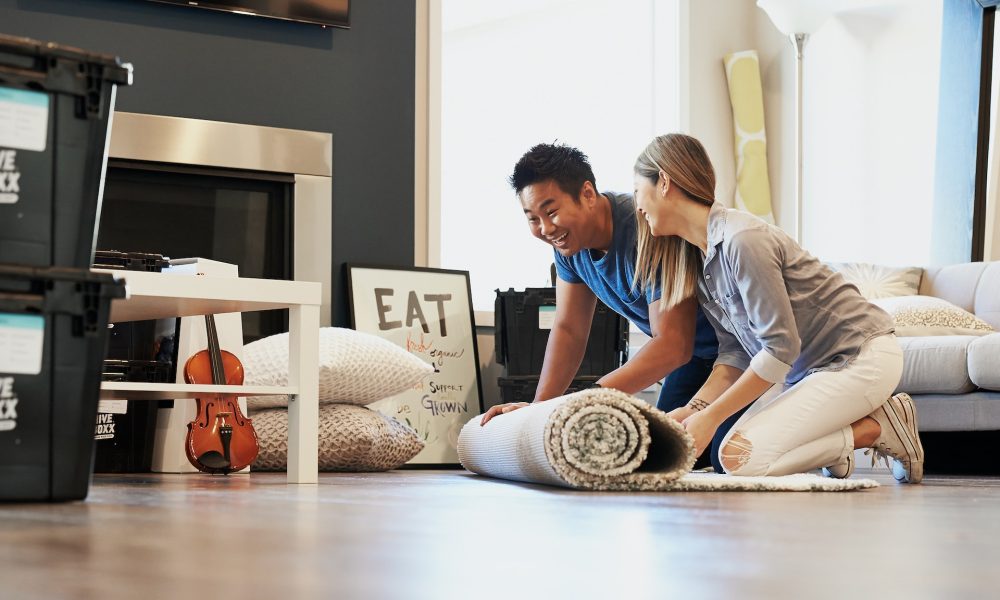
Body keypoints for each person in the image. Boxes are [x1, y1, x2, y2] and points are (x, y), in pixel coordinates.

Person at [631, 132, 924, 482]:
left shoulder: (743, 240)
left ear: (663, 181)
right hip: (809, 375)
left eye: (637, 191)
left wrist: (710, 418)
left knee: (738, 461)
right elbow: (736, 353)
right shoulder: (701, 258)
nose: (637, 205)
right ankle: (836, 444)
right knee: (729, 451)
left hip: (859, 358)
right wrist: (694, 410)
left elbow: (780, 348)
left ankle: (876, 428)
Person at [480, 143, 743, 473]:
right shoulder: (568, 245)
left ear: (587, 193)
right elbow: (569, 329)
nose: (546, 229)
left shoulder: (648, 230)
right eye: (533, 218)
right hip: (696, 358)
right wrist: (540, 409)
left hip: (736, 354)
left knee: (723, 454)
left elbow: (673, 344)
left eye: (551, 212)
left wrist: (586, 398)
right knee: (665, 455)